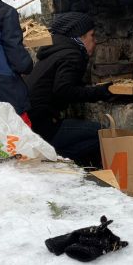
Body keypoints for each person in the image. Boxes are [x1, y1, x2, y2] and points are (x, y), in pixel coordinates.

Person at [26, 11, 113, 166]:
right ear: (81, 36)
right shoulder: (72, 54)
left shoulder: (57, 51)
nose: (95, 41)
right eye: (92, 35)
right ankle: (58, 159)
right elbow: (64, 90)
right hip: (44, 127)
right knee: (103, 133)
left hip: (32, 122)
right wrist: (101, 92)